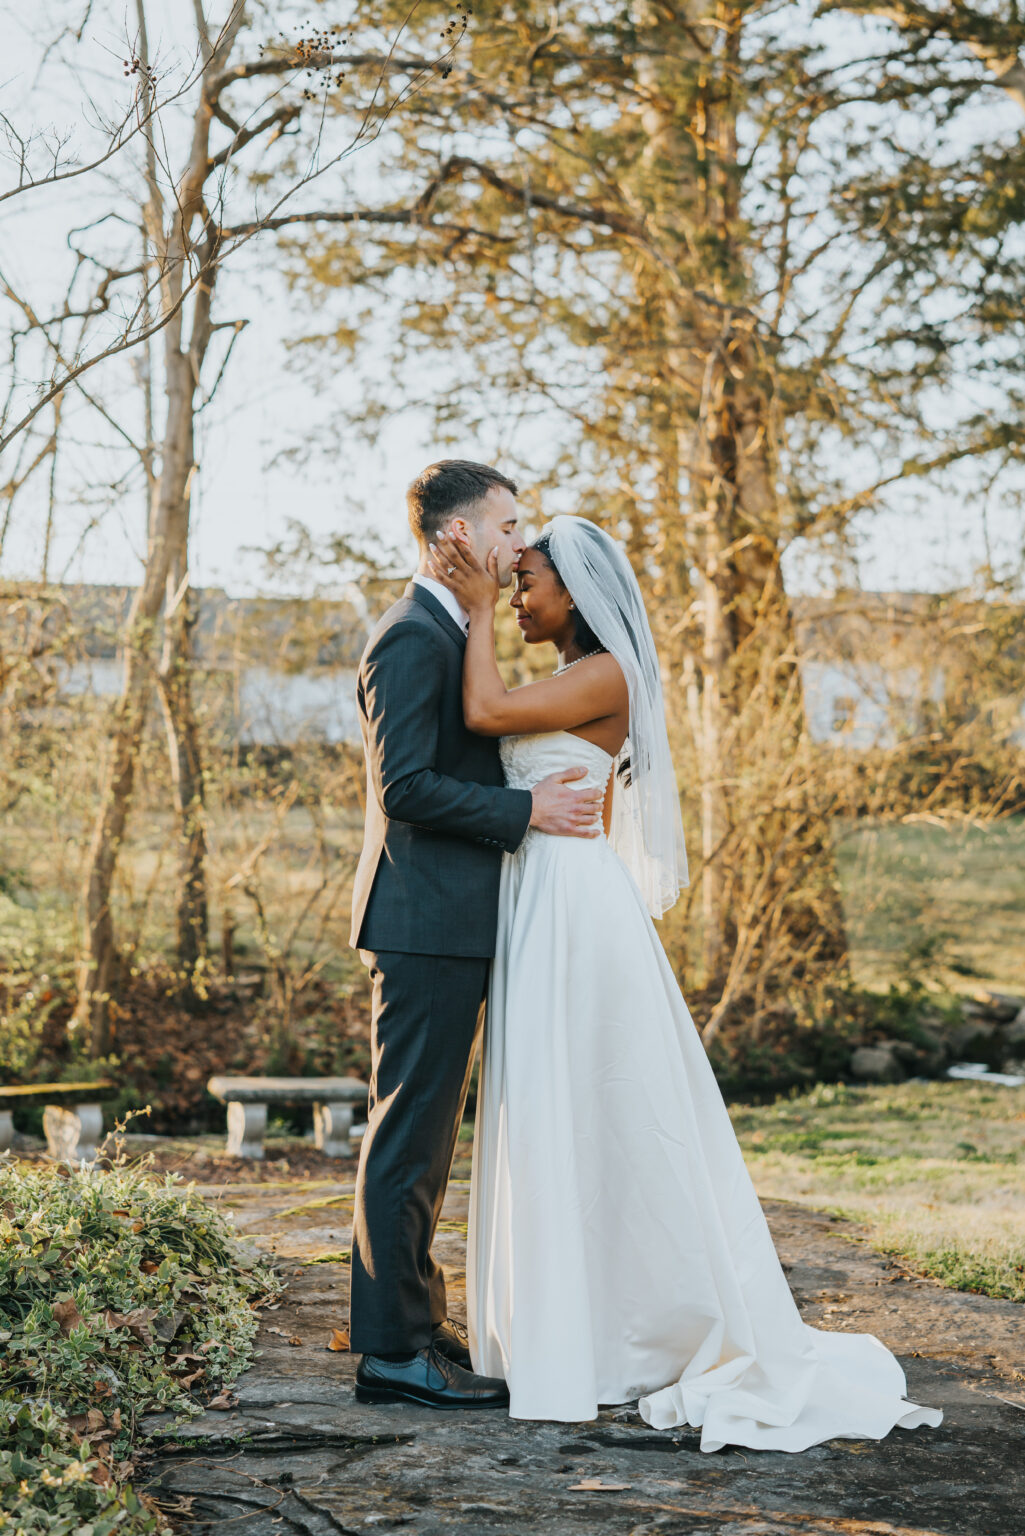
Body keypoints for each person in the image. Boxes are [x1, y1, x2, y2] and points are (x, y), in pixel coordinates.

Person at [425, 513, 944, 1451]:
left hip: (574, 910)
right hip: (545, 899)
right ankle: (573, 1322)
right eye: (510, 585)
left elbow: (485, 716)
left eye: (527, 581)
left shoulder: (607, 671)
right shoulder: (574, 677)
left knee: (599, 1106)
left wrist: (469, 613)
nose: (515, 594)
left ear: (575, 593)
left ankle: (630, 1330)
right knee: (559, 1108)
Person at [348, 462, 604, 1410]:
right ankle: (388, 1354)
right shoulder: (411, 637)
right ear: (455, 535)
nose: (515, 542)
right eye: (504, 525)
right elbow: (402, 789)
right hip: (422, 924)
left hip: (454, 922)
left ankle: (414, 1323)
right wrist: (524, 808)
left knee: (428, 1139)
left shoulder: (455, 629)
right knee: (407, 1137)